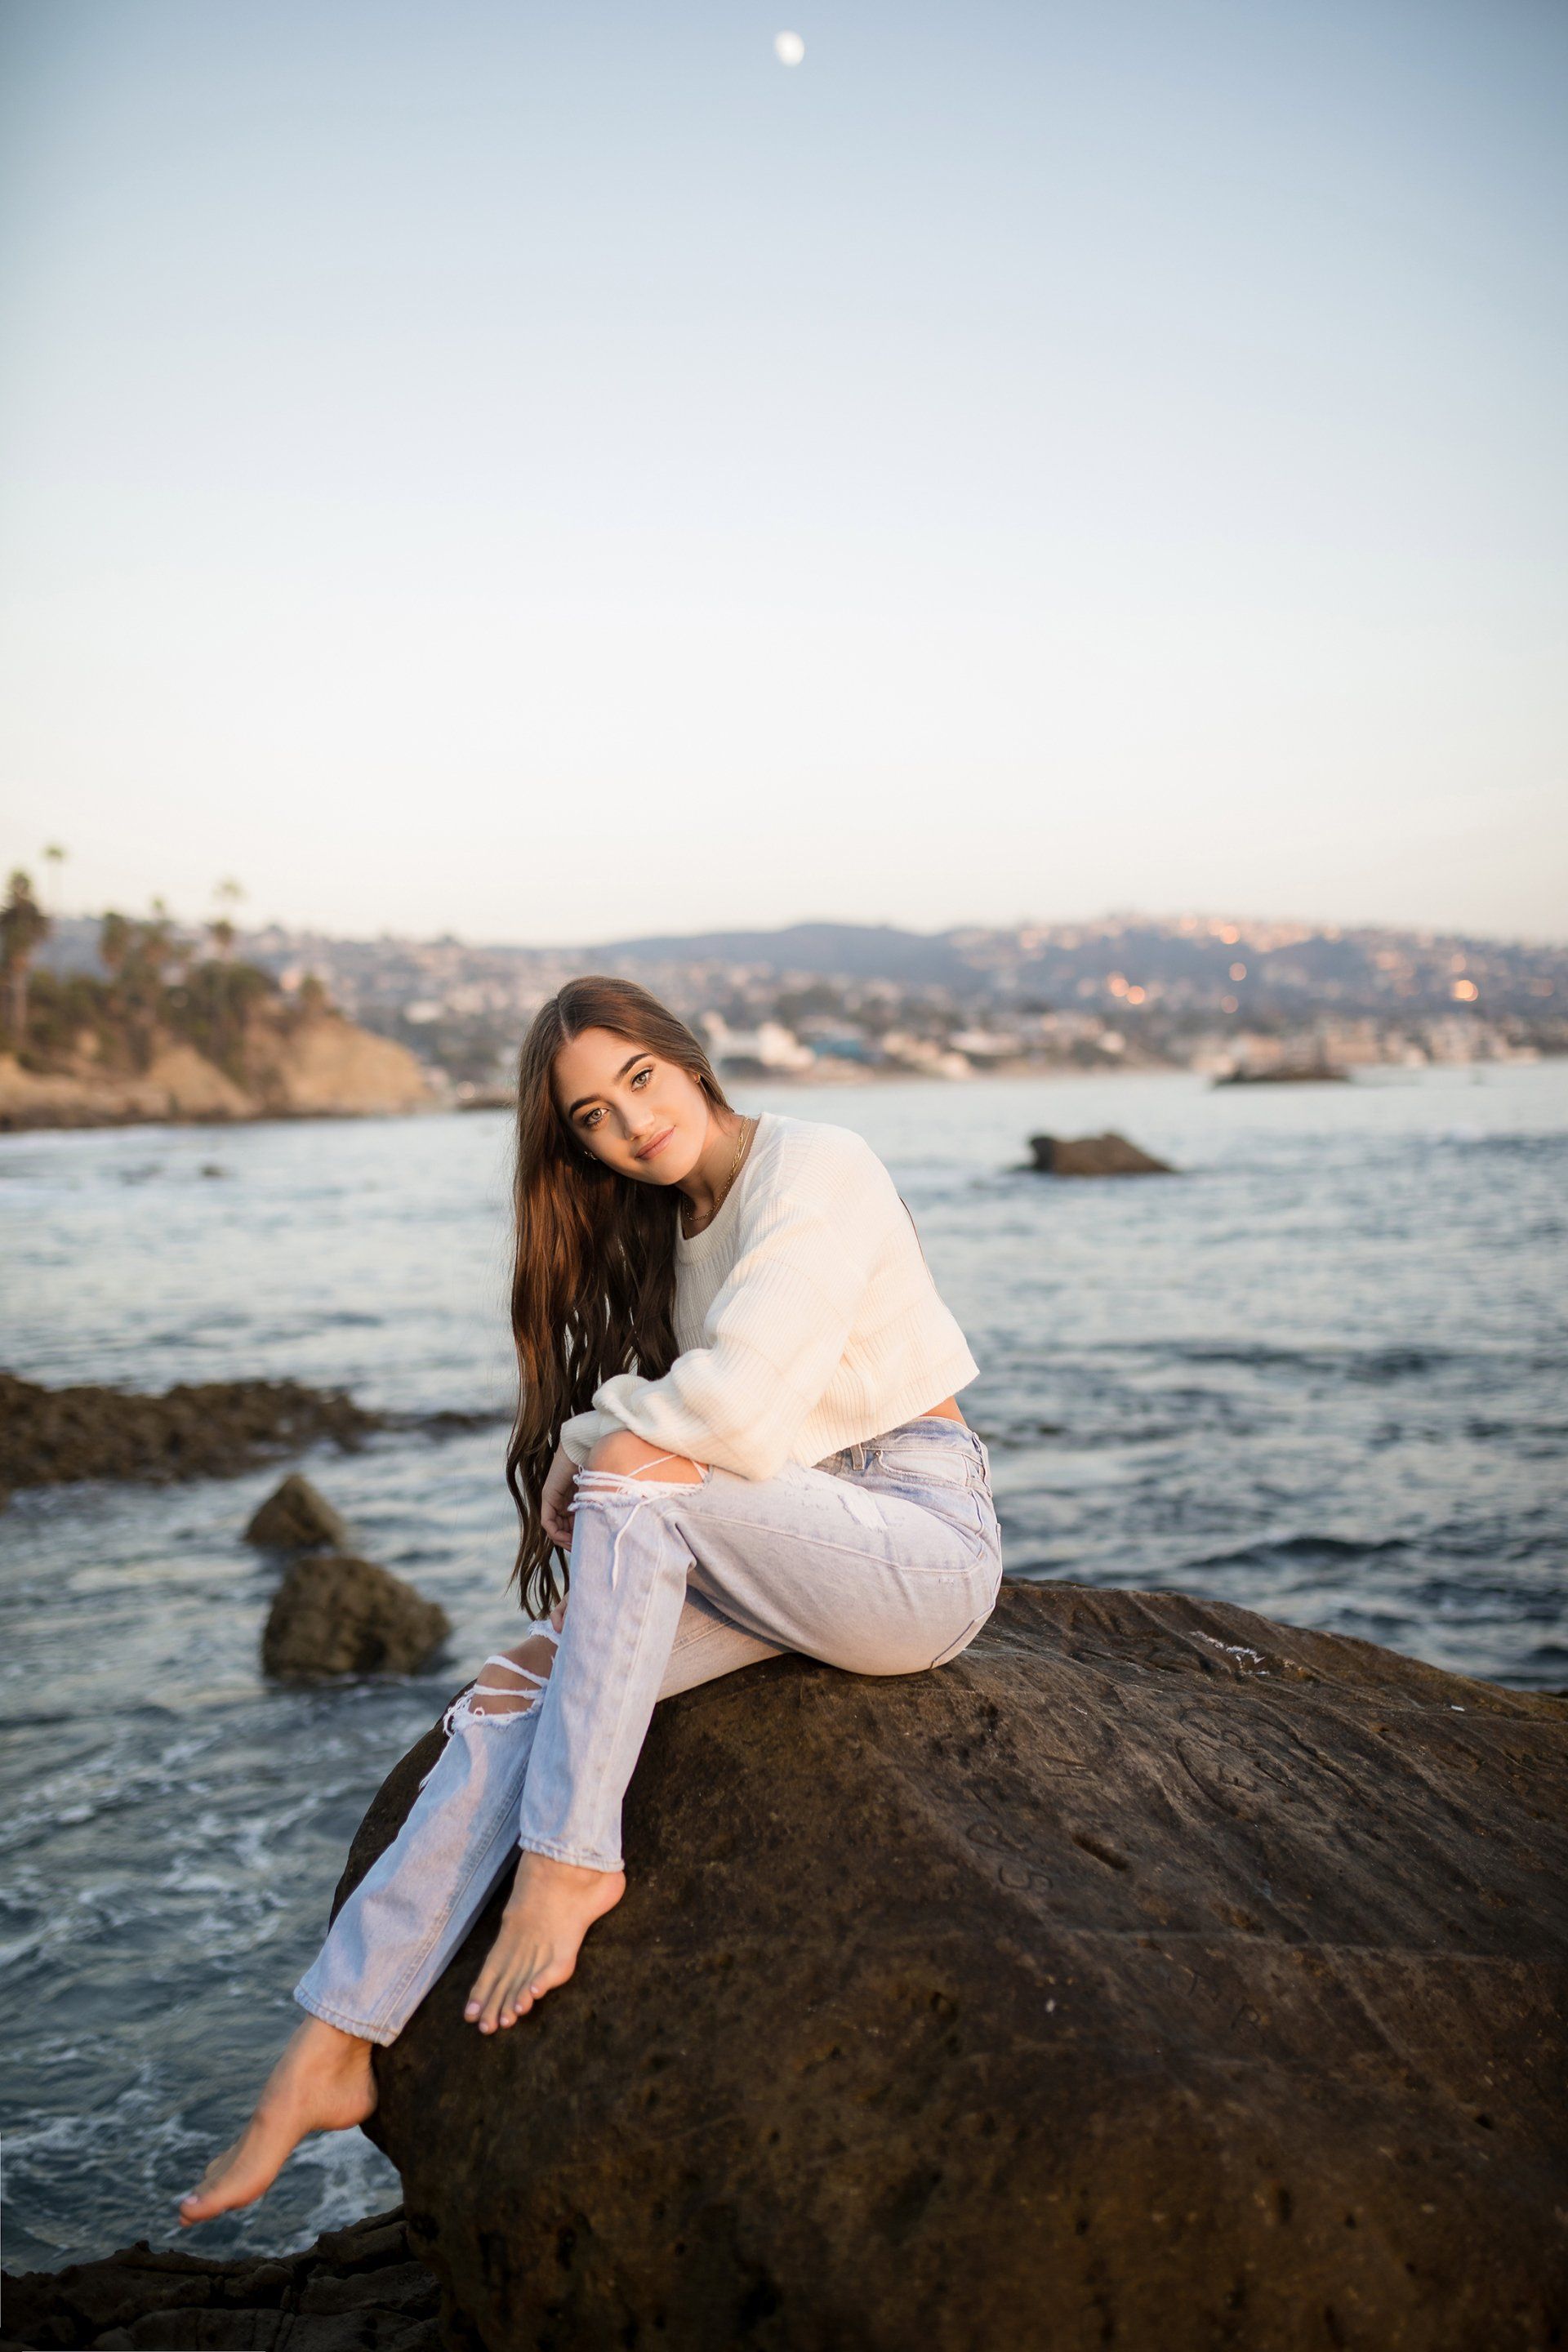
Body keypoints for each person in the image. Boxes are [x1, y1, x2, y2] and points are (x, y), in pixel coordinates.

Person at [179, 975, 1001, 2223]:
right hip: (784, 1542)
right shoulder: (677, 1234)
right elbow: (720, 1450)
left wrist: (582, 1439)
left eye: (638, 1082)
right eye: (590, 1118)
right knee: (516, 1682)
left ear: (688, 1060)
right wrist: (610, 1448)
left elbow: (735, 1409)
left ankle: (571, 1863)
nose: (625, 1124)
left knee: (626, 1481)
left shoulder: (817, 1165)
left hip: (915, 1540)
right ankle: (332, 2042)